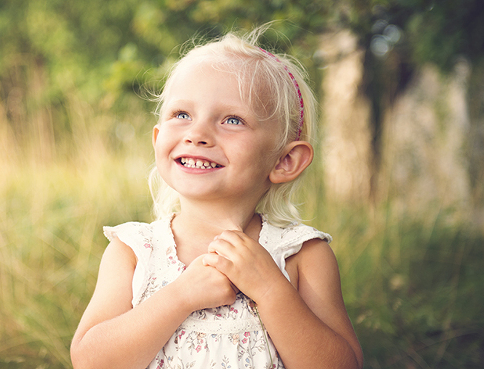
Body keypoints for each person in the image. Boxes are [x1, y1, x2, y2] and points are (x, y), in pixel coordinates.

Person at [70, 25, 363, 369]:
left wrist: (271, 290)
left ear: (285, 160)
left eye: (232, 120)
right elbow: (89, 361)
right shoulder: (136, 251)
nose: (197, 133)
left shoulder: (301, 255)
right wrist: (178, 297)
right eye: (182, 115)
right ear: (157, 137)